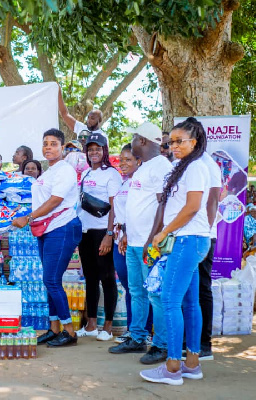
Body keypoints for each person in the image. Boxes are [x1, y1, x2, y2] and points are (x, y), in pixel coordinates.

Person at [140, 117, 212, 386]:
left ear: (194, 142)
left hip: (186, 240)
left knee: (170, 301)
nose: (174, 146)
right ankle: (191, 364)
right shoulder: (185, 167)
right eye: (171, 142)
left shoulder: (195, 167)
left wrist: (163, 232)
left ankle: (172, 367)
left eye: (180, 141)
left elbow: (193, 207)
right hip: (188, 240)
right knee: (189, 303)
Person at [12, 129, 82, 347]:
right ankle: (53, 328)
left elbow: (55, 200)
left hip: (62, 227)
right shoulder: (49, 172)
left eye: (53, 144)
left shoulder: (65, 170)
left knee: (51, 280)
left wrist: (28, 217)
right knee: (49, 280)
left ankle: (69, 332)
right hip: (47, 229)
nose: (48, 147)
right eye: (45, 144)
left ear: (62, 148)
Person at [109, 122, 172, 365]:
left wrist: (151, 239)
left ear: (143, 141)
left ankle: (162, 344)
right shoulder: (145, 168)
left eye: (134, 138)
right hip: (134, 243)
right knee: (136, 291)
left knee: (155, 294)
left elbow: (163, 206)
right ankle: (137, 337)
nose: (132, 142)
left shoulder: (161, 167)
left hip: (149, 244)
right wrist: (126, 232)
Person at [76, 133, 121, 341]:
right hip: (86, 231)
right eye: (90, 149)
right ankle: (91, 324)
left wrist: (109, 235)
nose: (94, 152)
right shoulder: (85, 174)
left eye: (98, 149)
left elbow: (115, 206)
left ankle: (108, 327)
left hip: (103, 231)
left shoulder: (111, 174)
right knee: (91, 279)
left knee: (107, 278)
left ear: (105, 151)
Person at [112, 144, 153, 343]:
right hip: (120, 238)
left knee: (145, 288)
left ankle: (145, 331)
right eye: (121, 159)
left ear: (139, 161)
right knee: (132, 288)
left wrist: (127, 232)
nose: (123, 163)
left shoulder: (142, 182)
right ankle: (133, 329)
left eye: (128, 159)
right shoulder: (124, 182)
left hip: (136, 239)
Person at [193, 151, 222, 361]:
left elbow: (213, 200)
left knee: (202, 288)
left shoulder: (208, 164)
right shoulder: (185, 163)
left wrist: (205, 232)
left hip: (202, 236)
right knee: (188, 289)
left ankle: (204, 344)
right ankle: (189, 341)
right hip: (186, 236)